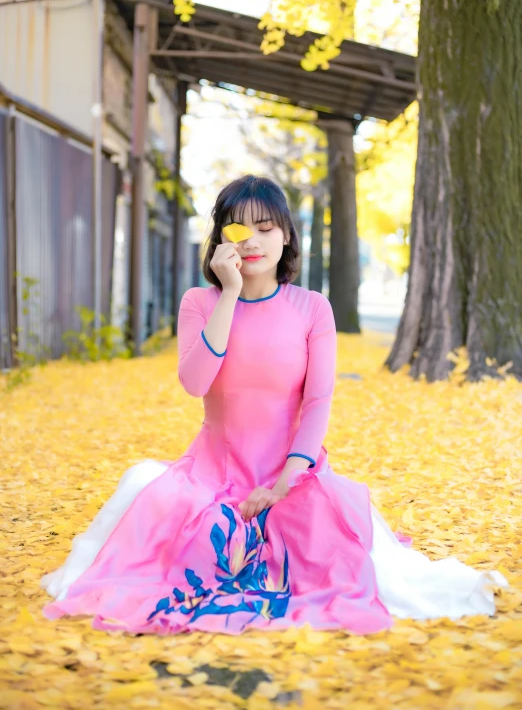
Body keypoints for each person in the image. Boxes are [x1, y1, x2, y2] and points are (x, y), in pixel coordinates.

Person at [40, 174, 508, 635]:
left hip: (292, 473)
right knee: (192, 542)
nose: (253, 242)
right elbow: (195, 381)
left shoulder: (312, 308)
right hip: (212, 474)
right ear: (221, 239)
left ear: (286, 235)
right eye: (239, 229)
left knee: (317, 552)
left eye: (266, 227)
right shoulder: (200, 302)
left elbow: (318, 400)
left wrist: (283, 485)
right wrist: (229, 293)